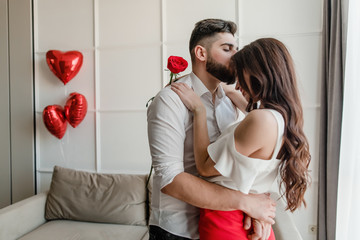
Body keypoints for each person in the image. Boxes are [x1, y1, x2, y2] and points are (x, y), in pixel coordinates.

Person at [147, 19, 276, 240]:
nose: (236, 56)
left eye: (236, 48)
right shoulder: (170, 100)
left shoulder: (232, 101)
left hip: (224, 224)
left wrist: (258, 213)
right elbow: (170, 180)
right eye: (227, 49)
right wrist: (246, 203)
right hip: (179, 230)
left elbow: (243, 165)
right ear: (201, 53)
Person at [171, 38, 312, 239]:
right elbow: (248, 106)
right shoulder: (284, 118)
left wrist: (199, 110)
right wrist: (217, 88)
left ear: (259, 75)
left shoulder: (260, 120)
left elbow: (203, 166)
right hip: (248, 216)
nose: (237, 86)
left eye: (241, 78)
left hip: (226, 220)